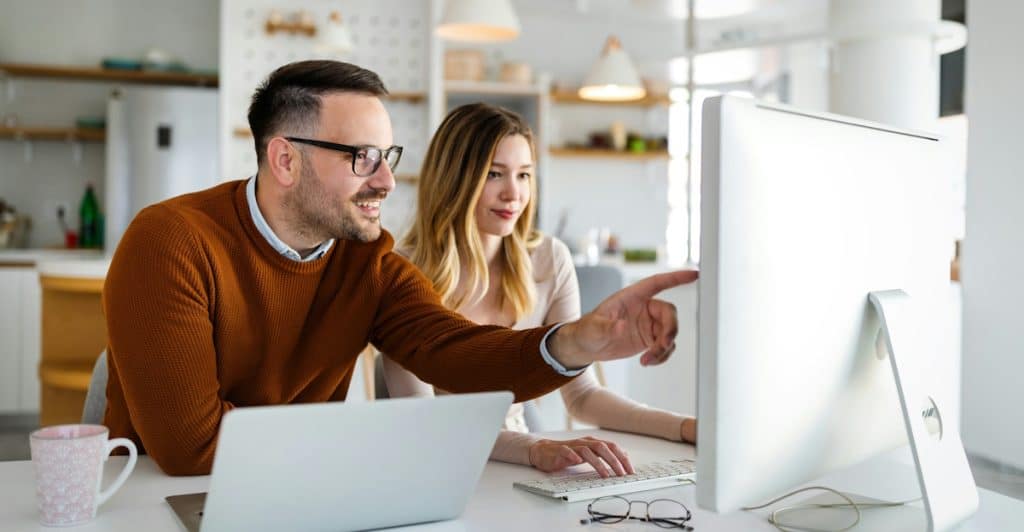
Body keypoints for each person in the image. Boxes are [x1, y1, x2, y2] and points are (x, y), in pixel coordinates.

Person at [102, 60, 697, 476]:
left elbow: (458, 354)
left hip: (290, 485)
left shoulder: (369, 261)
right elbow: (190, 447)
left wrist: (576, 340)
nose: (385, 180)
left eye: (387, 156)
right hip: (159, 500)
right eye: (362, 158)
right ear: (284, 159)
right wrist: (347, 440)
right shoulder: (170, 241)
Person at [383, 103, 696, 478]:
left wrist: (683, 428)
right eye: (495, 174)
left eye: (525, 175)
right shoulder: (401, 273)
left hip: (516, 463)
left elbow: (582, 396)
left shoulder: (548, 259)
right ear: (454, 178)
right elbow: (425, 422)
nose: (513, 194)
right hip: (437, 466)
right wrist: (535, 448)